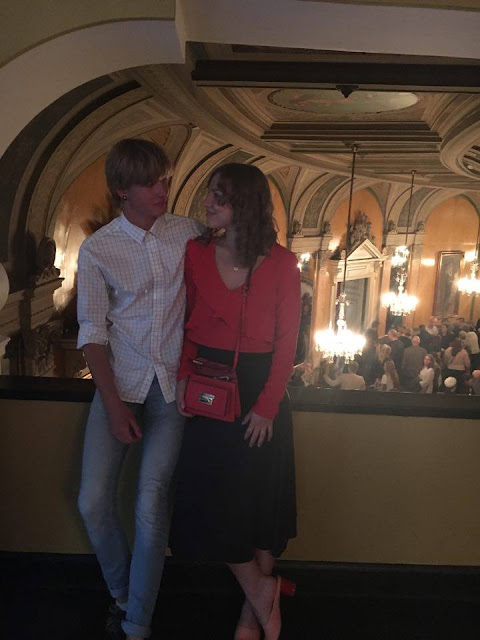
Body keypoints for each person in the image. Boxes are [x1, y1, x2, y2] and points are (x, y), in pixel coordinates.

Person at [76, 138, 203, 640]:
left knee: (151, 501)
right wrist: (112, 406)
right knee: (92, 501)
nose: (162, 190)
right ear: (122, 191)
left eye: (164, 180)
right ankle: (124, 593)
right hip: (121, 382)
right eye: (150, 183)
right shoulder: (98, 249)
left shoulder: (187, 233)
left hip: (173, 387)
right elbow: (92, 333)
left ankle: (137, 623)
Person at [171, 163, 300, 640]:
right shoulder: (196, 252)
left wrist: (266, 406)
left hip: (260, 389)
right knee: (209, 500)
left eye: (218, 196)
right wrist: (184, 376)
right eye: (209, 193)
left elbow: (287, 344)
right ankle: (264, 590)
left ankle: (251, 612)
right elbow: (187, 321)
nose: (206, 203)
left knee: (258, 504)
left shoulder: (283, 264)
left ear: (244, 204)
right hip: (209, 383)